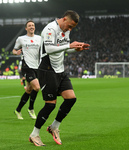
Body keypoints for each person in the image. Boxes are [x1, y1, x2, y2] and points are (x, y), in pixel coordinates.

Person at [29, 10, 90, 146]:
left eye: (72, 28)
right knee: (50, 104)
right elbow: (49, 49)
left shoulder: (65, 29)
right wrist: (69, 45)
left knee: (71, 99)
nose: (69, 29)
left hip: (60, 69)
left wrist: (76, 49)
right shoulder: (50, 29)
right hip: (47, 69)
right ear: (64, 19)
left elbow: (64, 48)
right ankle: (34, 134)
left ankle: (54, 127)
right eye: (69, 26)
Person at [12, 20, 41, 120]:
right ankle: (31, 108)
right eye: (29, 26)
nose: (31, 27)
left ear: (34, 27)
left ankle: (18, 110)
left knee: (29, 90)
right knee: (37, 87)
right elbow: (14, 50)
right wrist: (16, 53)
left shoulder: (39, 38)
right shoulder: (21, 39)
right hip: (26, 66)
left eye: (33, 25)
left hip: (37, 66)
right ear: (26, 28)